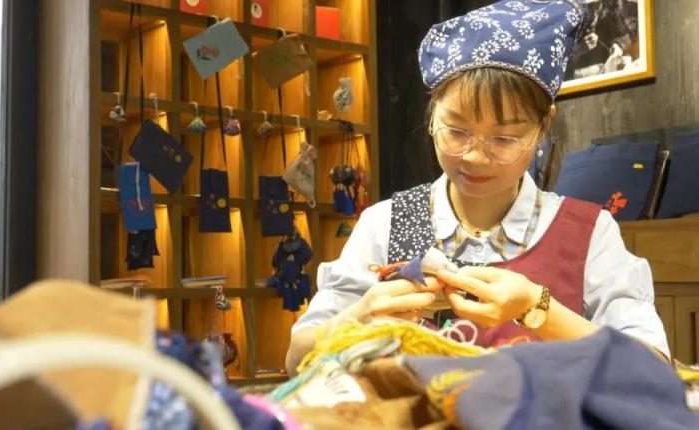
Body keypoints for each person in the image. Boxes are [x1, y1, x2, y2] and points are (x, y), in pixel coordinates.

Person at [286, 0, 669, 376]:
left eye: (503, 139)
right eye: (456, 131)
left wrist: (535, 307)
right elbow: (297, 360)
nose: (474, 156)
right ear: (432, 114)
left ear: (543, 126)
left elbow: (652, 369)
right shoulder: (385, 224)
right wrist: (360, 316)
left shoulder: (586, 233)